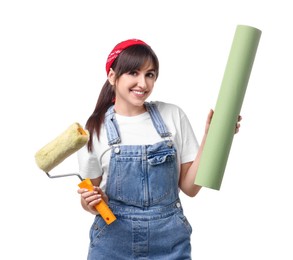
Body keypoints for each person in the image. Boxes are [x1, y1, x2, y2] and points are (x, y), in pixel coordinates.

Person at [77, 39, 241, 260]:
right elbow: (92, 199)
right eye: (133, 73)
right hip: (113, 244)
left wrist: (212, 137)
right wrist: (91, 203)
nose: (143, 84)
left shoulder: (172, 115)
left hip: (169, 242)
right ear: (112, 76)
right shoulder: (95, 129)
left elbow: (190, 188)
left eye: (150, 74)